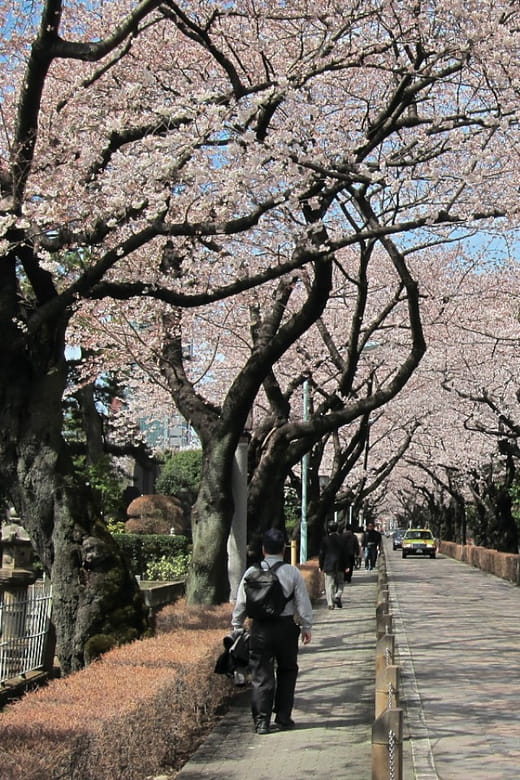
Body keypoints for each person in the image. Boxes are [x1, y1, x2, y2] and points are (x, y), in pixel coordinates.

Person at [232, 528, 313, 735]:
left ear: (263, 549)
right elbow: (303, 603)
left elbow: (241, 603)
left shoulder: (251, 572)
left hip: (259, 628)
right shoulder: (291, 572)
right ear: (284, 550)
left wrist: (237, 625)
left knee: (261, 674)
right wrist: (306, 626)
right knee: (287, 671)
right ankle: (283, 717)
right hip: (286, 628)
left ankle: (262, 721)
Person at [318, 521, 346, 609]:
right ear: (337, 528)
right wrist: (347, 565)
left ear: (328, 529)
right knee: (340, 582)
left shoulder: (325, 540)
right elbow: (345, 553)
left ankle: (330, 603)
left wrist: (320, 565)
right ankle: (337, 595)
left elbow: (321, 553)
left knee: (329, 584)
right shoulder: (342, 539)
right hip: (340, 564)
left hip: (328, 565)